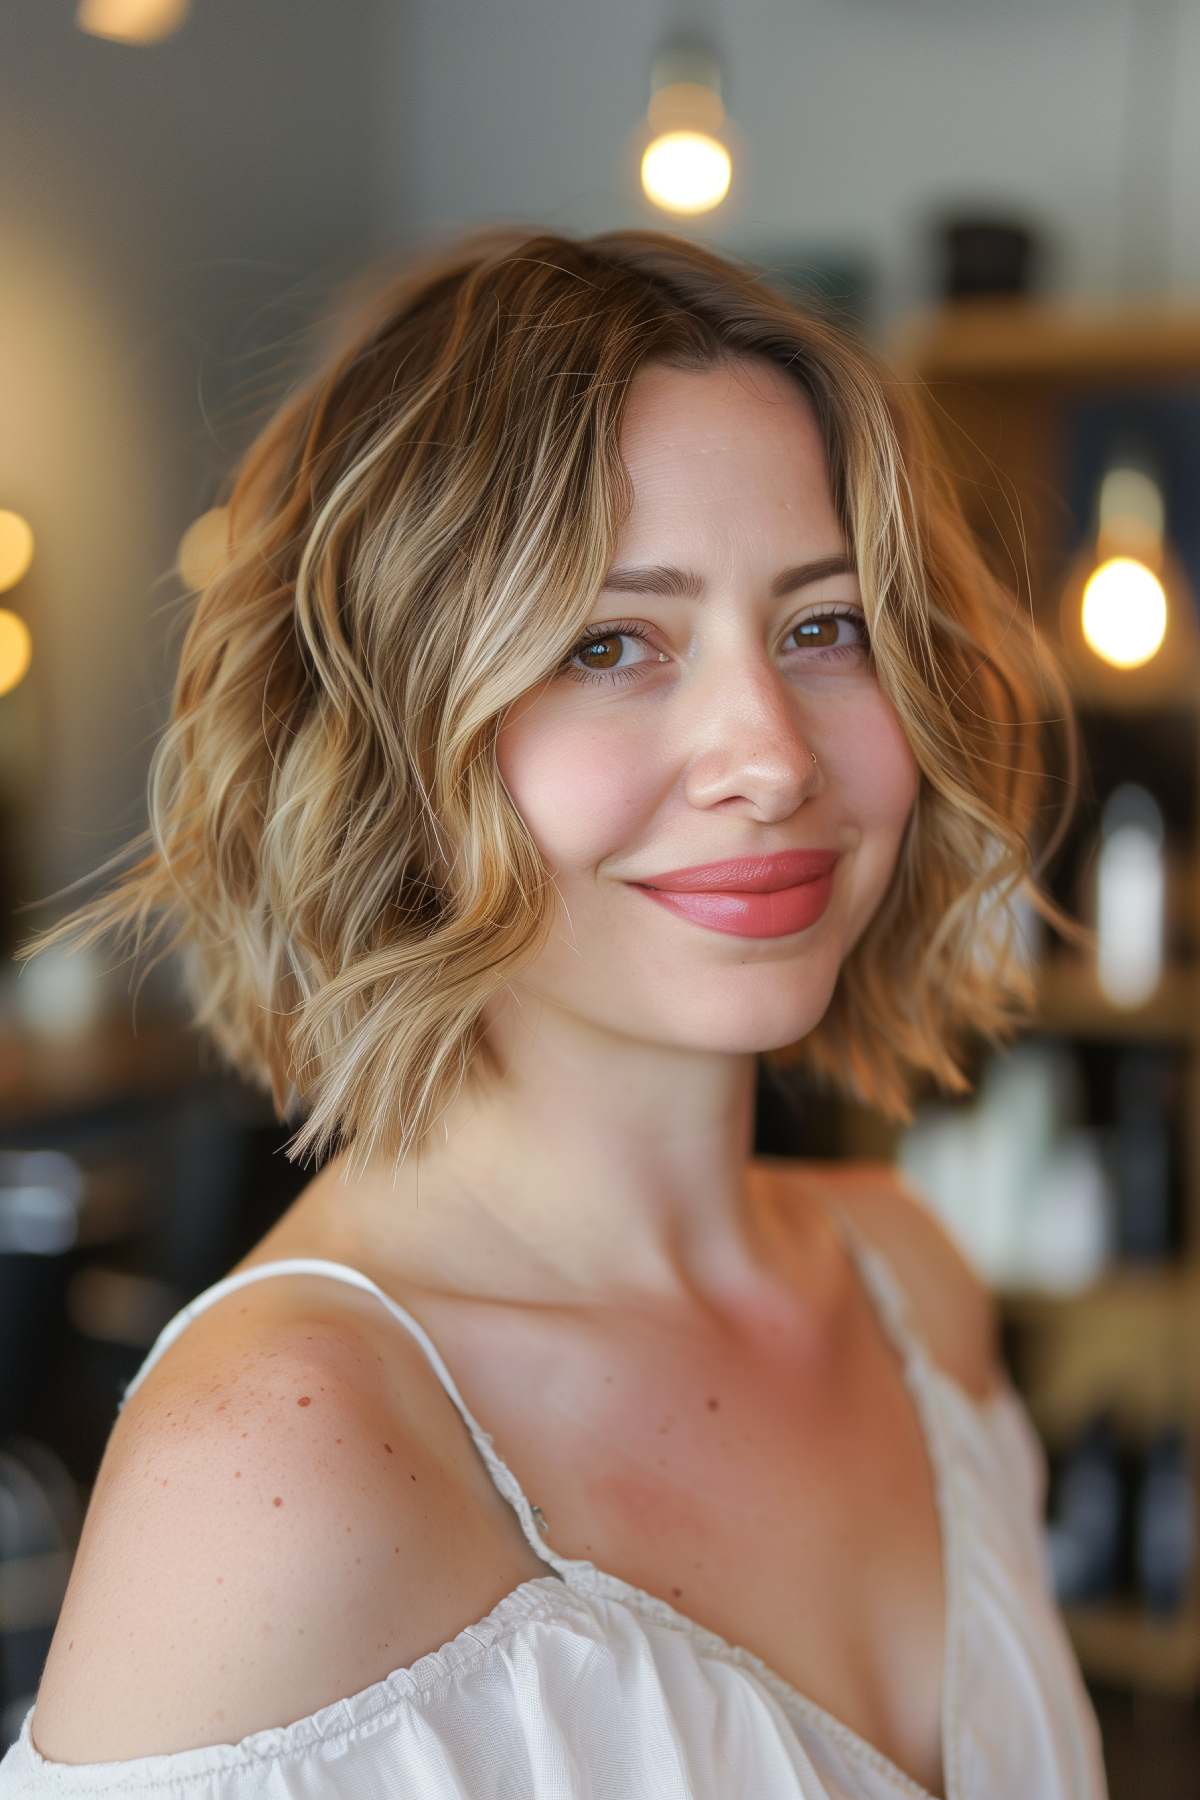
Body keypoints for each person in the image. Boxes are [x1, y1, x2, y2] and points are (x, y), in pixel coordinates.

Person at [0, 225, 1107, 1798]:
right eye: (611, 644)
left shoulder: (908, 1287)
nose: (771, 755)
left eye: (823, 626)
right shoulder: (280, 1458)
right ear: (393, 745)